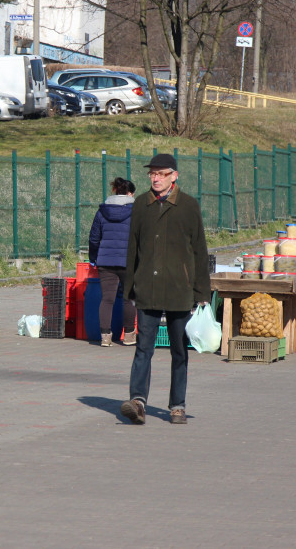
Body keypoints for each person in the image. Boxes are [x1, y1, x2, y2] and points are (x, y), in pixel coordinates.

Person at [120, 154, 210, 426]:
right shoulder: (141, 204)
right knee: (143, 349)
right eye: (152, 174)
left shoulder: (188, 205)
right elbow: (132, 247)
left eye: (161, 174)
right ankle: (138, 401)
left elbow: (199, 251)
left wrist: (200, 292)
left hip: (179, 290)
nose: (155, 178)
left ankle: (177, 406)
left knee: (179, 351)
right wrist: (130, 287)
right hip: (147, 286)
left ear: (174, 176)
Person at [88, 177, 138, 347]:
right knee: (128, 299)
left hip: (105, 261)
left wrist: (94, 258)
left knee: (107, 299)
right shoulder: (136, 212)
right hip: (129, 262)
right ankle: (129, 335)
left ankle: (105, 337)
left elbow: (94, 238)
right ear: (130, 193)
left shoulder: (102, 211)